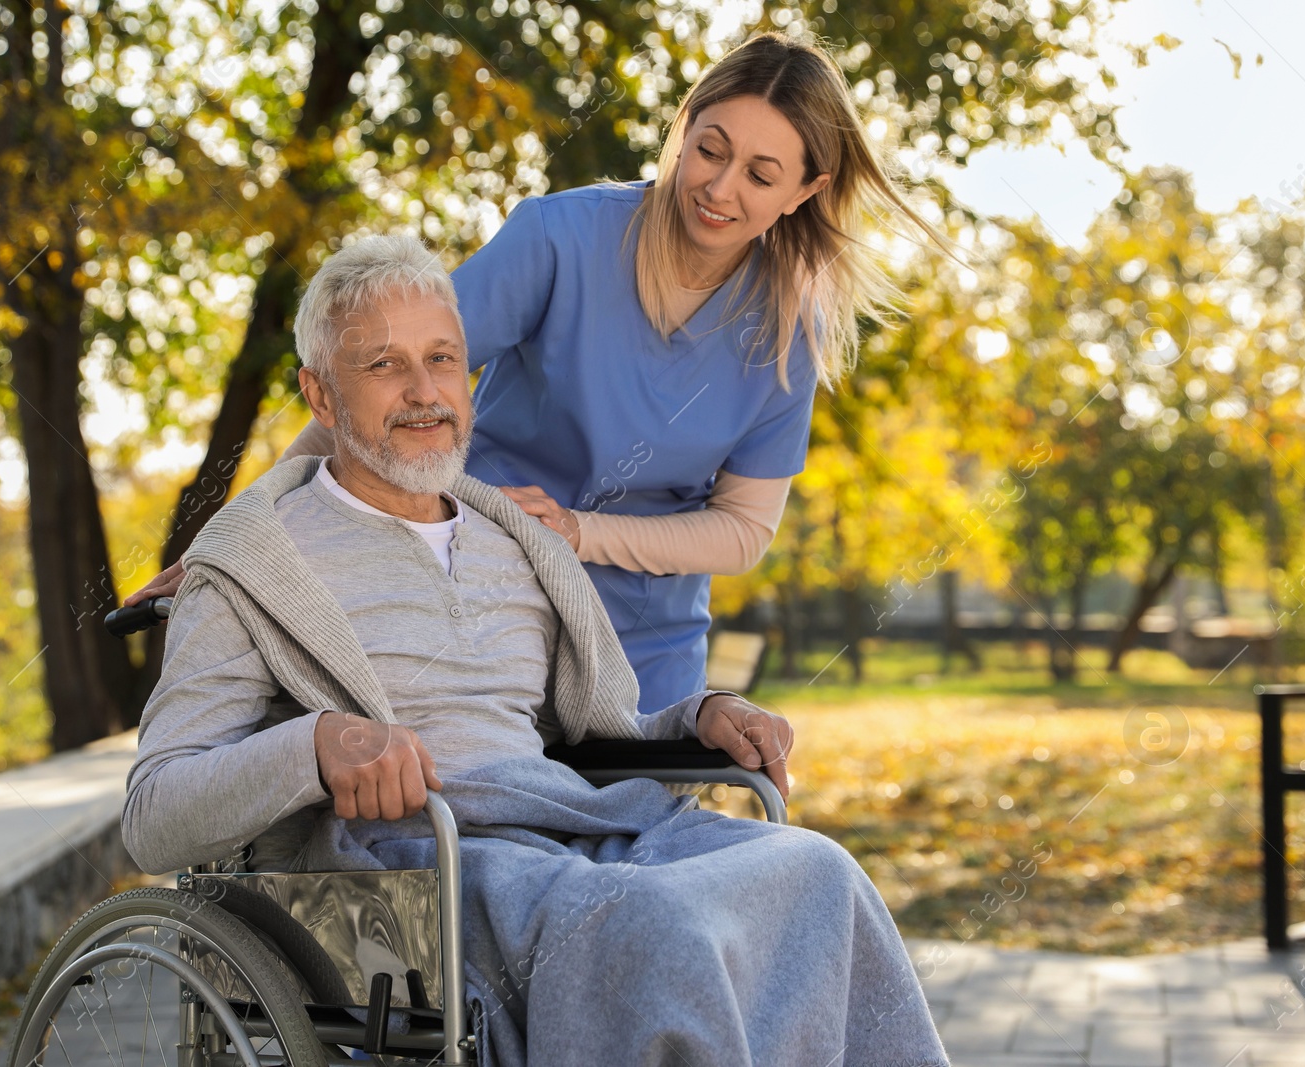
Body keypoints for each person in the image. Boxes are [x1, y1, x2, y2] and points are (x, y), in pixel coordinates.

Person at [123, 235, 947, 1067]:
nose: (423, 392)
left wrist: (702, 717)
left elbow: (590, 734)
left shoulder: (514, 541)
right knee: (650, 930)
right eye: (384, 365)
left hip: (572, 826)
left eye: (443, 360)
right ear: (321, 396)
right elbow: (155, 815)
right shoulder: (257, 563)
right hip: (409, 869)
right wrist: (316, 745)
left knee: (817, 876)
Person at [127, 31, 944, 715]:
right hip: (478, 616)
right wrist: (236, 539)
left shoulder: (789, 333)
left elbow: (742, 531)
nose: (719, 189)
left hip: (645, 653)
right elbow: (376, 397)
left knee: (635, 877)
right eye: (710, 150)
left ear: (809, 189)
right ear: (686, 127)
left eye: (761, 175)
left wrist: (582, 533)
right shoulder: (560, 241)